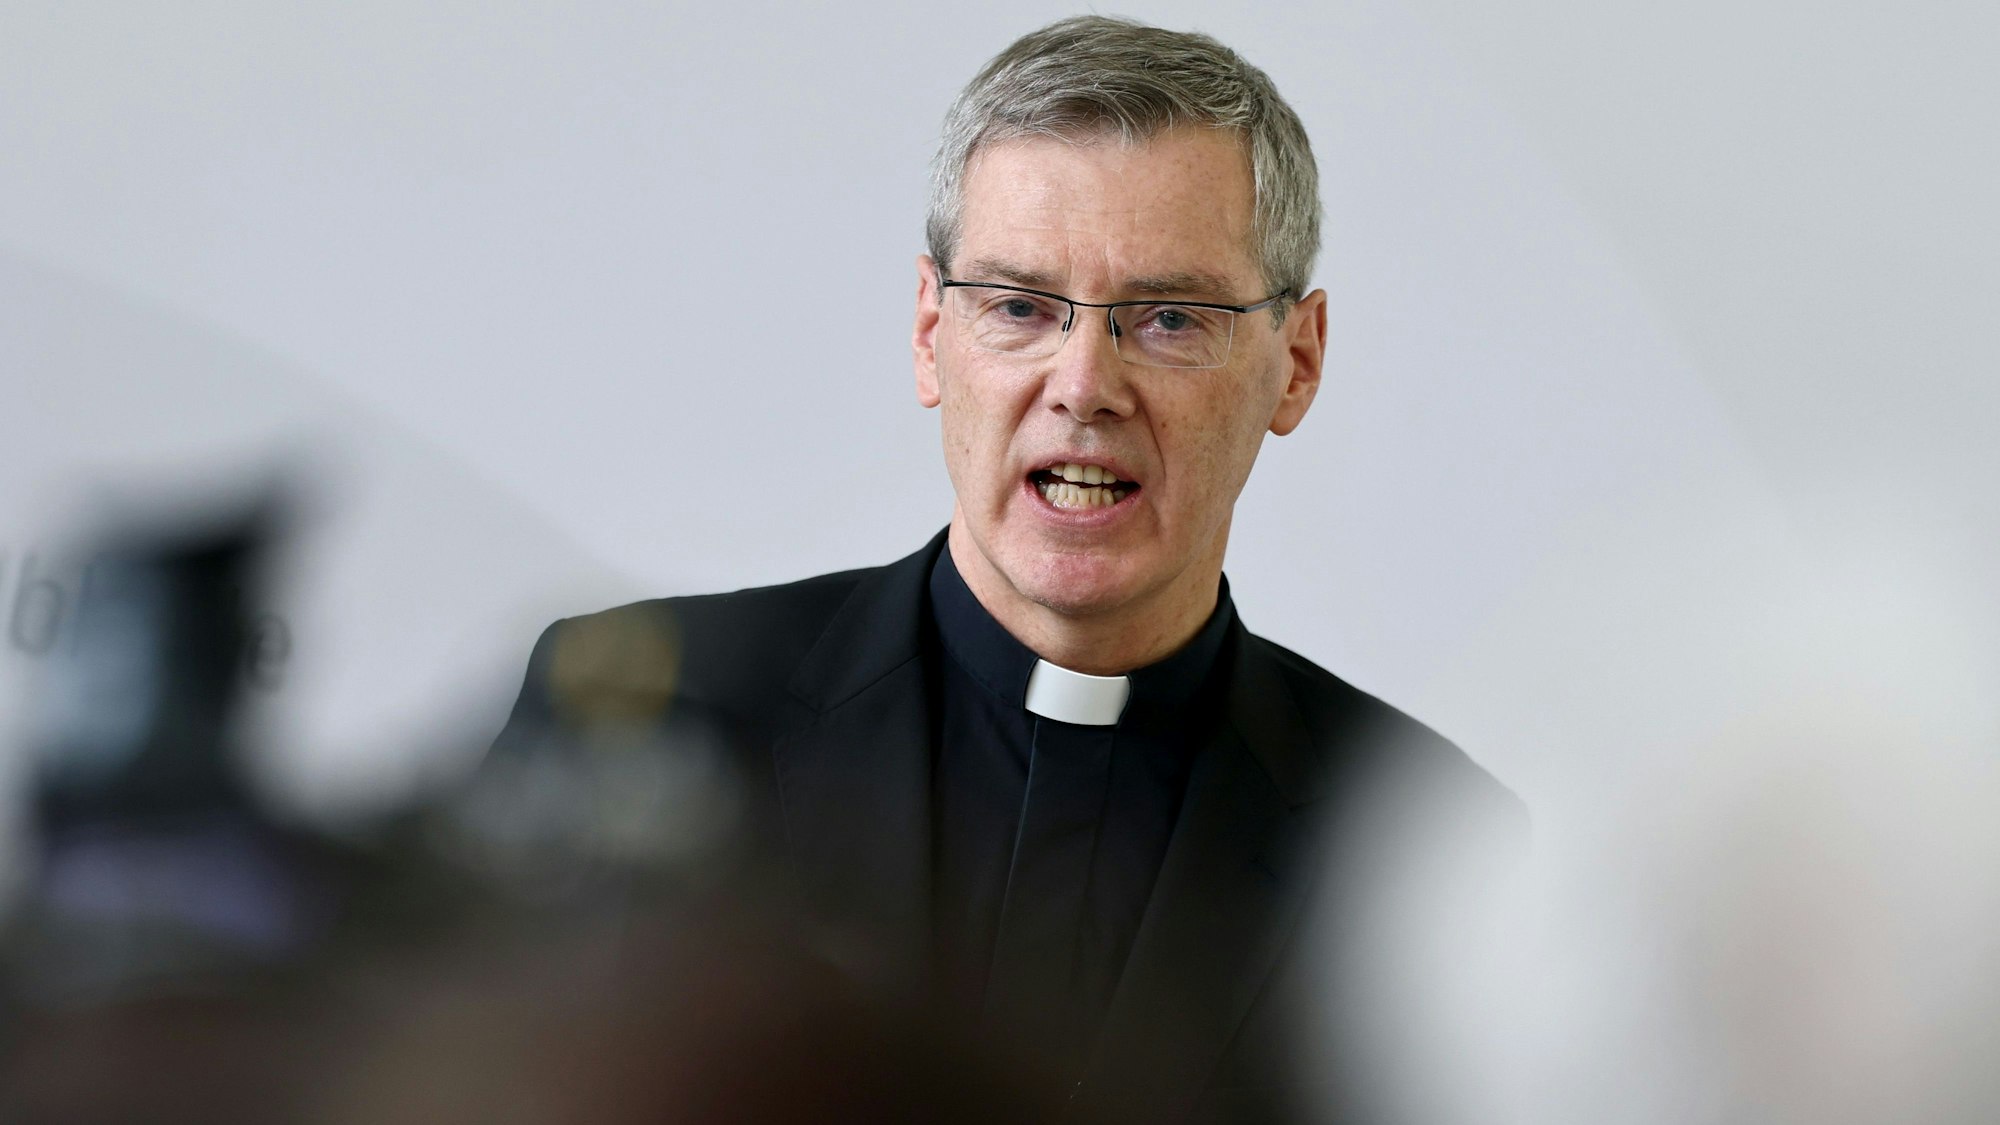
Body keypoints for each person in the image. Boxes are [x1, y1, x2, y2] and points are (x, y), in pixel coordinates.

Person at [493, 15, 1522, 1123]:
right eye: (1022, 308)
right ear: (931, 334)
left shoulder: (1427, 856)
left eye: (1168, 318)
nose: (1083, 384)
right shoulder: (651, 710)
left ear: (1297, 364)